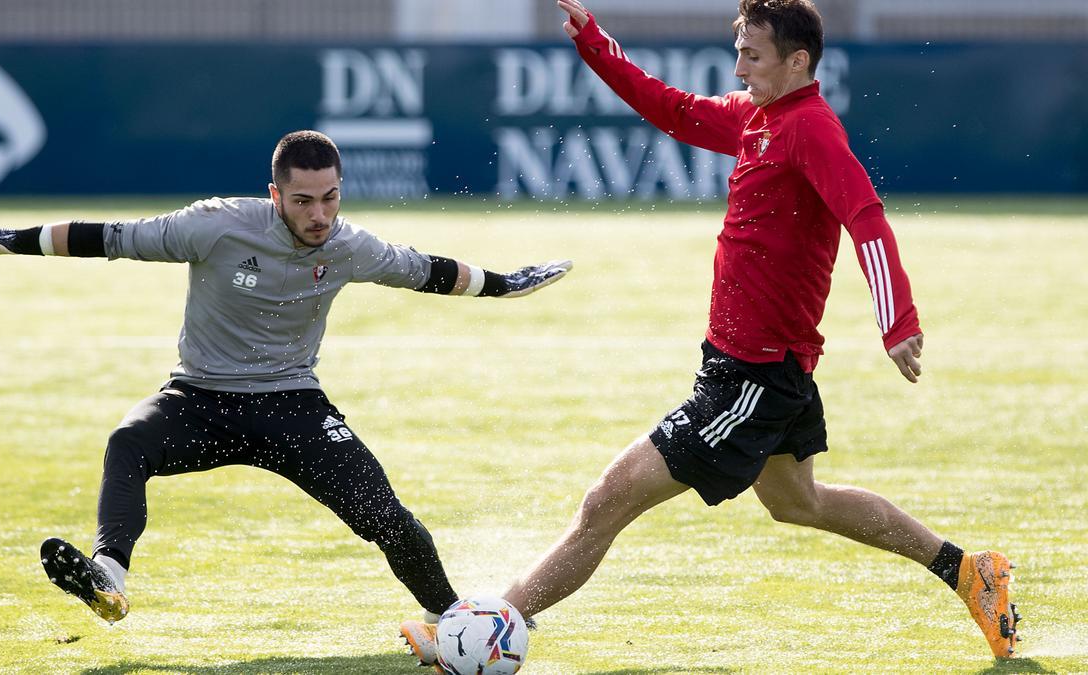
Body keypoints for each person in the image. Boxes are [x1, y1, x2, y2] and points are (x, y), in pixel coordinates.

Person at [401, 0, 1019, 666]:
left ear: (797, 60)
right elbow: (673, 108)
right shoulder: (757, 118)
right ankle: (968, 571)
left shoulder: (809, 129)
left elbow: (864, 215)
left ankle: (486, 633)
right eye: (739, 51)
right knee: (798, 501)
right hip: (745, 367)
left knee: (606, 500)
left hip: (752, 379)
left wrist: (897, 321)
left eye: (752, 54)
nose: (740, 65)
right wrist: (595, 45)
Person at [0, 130, 573, 634]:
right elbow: (110, 236)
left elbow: (427, 269)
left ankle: (453, 617)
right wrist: (8, 239)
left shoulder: (349, 244)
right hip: (199, 400)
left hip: (293, 406)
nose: (320, 215)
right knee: (128, 441)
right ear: (274, 196)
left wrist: (505, 283)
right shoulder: (218, 224)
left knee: (387, 517)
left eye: (330, 197)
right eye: (303, 201)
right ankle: (109, 577)